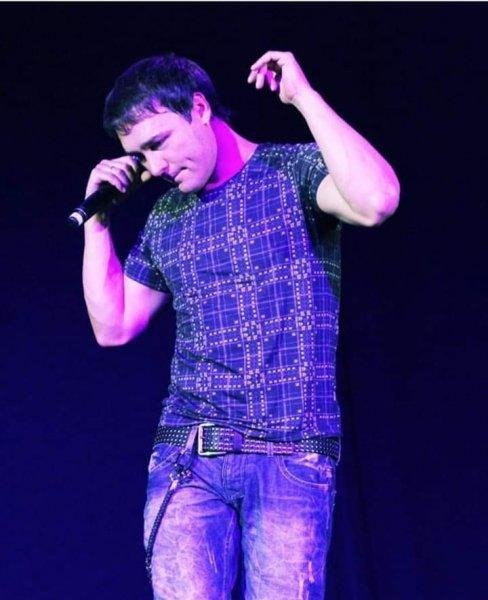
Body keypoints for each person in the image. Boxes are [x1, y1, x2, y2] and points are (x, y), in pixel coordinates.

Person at [82, 50, 399, 599]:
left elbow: (376, 201)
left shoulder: (294, 172)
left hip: (290, 453)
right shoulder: (167, 216)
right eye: (140, 155)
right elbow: (113, 326)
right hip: (188, 456)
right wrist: (97, 221)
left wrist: (303, 97)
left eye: (159, 142)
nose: (155, 166)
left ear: (200, 108)